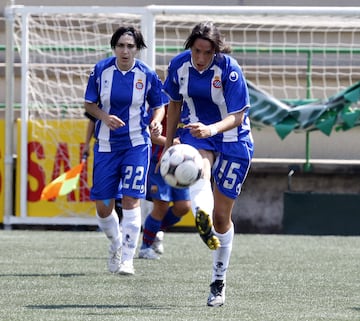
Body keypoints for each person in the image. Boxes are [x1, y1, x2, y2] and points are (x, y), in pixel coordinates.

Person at [163, 22, 254, 307]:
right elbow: (174, 105)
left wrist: (211, 129)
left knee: (222, 219)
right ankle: (201, 210)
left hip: (233, 140)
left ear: (216, 50)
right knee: (198, 165)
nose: (201, 57)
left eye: (207, 52)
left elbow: (237, 116)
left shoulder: (229, 69)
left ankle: (218, 280)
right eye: (196, 50)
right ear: (190, 46)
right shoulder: (179, 66)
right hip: (198, 134)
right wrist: (167, 147)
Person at [84, 25, 165, 276]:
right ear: (114, 47)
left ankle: (128, 258)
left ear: (137, 49)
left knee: (131, 200)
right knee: (103, 207)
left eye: (130, 46)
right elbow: (89, 103)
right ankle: (117, 243)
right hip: (106, 147)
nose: (125, 51)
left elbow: (159, 105)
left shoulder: (147, 74)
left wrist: (156, 121)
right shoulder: (101, 70)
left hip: (137, 145)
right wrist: (104, 117)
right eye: (121, 45)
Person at [138, 106, 192, 260]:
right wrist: (171, 142)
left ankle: (154, 231)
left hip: (183, 163)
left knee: (183, 206)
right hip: (159, 161)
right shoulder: (161, 105)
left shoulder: (193, 104)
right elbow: (150, 134)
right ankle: (145, 247)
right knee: (161, 205)